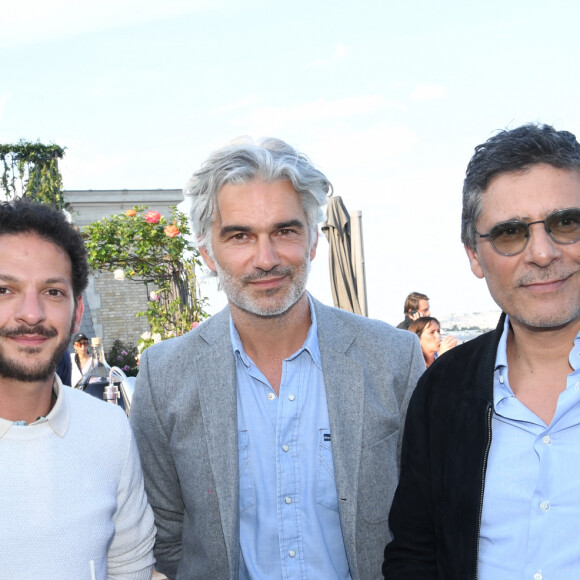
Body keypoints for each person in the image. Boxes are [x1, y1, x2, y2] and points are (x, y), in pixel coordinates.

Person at [130, 137, 425, 580]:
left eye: (285, 231)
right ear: (208, 252)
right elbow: (166, 537)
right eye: (240, 235)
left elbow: (424, 518)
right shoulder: (164, 376)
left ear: (311, 241)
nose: (265, 259)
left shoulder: (392, 359)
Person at [383, 123, 580, 580]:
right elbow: (414, 553)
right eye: (511, 232)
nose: (543, 252)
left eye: (565, 223)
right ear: (474, 255)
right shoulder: (441, 392)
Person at [0, 199, 156, 579]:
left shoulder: (109, 431)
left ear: (78, 312)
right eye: (5, 290)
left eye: (53, 291)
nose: (32, 314)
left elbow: (131, 568)